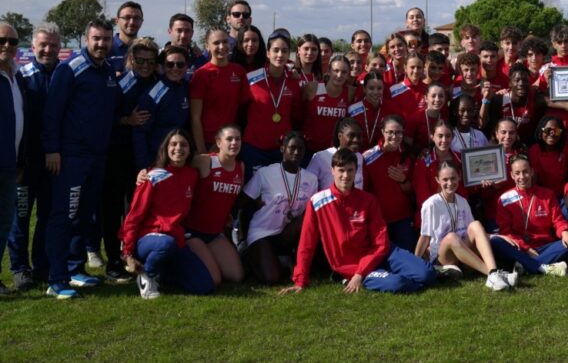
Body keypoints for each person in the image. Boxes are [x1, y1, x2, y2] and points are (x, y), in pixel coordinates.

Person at [281, 148, 435, 295]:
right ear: (332, 170)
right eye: (341, 170)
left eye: (350, 170)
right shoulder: (317, 202)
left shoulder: (368, 200)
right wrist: (300, 281)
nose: (345, 176)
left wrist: (361, 273)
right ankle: (379, 276)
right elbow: (306, 244)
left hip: (383, 253)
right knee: (397, 283)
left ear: (356, 171)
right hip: (353, 264)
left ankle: (408, 274)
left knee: (426, 273)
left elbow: (381, 242)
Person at [43, 18, 119, 299]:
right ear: (86, 39)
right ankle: (56, 278)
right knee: (65, 215)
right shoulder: (71, 69)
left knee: (84, 215)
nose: (101, 44)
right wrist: (52, 150)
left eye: (106, 39)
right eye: (96, 38)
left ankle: (75, 269)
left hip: (97, 158)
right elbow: (52, 113)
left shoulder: (108, 69)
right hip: (71, 157)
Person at [119, 129, 215, 299]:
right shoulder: (153, 176)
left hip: (176, 239)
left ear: (190, 150)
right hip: (149, 238)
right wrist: (127, 253)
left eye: (183, 145)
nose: (178, 148)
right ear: (165, 148)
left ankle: (163, 273)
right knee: (165, 244)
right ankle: (146, 275)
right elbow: (134, 215)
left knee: (204, 286)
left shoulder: (192, 175)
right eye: (173, 144)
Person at [96, 38, 158, 278]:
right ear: (131, 59)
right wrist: (126, 121)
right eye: (140, 60)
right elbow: (103, 118)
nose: (145, 65)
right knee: (112, 211)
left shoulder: (158, 84)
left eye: (150, 61)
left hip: (147, 159)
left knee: (139, 210)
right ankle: (113, 261)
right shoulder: (120, 84)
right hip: (117, 155)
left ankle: (135, 257)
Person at [9, 23, 60, 291]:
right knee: (20, 217)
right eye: (43, 44)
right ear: (33, 47)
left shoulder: (64, 75)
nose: (48, 49)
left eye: (53, 45)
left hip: (52, 163)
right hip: (24, 163)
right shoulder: (21, 77)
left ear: (60, 47)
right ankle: (19, 268)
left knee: (47, 216)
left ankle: (41, 265)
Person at [414, 161, 512, 291]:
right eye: (445, 179)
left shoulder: (462, 201)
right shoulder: (431, 204)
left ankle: (493, 271)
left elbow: (473, 232)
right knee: (452, 237)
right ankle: (492, 274)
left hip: (463, 252)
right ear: (437, 180)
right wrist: (414, 263)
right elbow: (425, 237)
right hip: (443, 257)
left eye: (453, 178)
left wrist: (498, 236)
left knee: (476, 224)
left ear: (459, 177)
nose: (450, 183)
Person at [237, 131, 319, 284]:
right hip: (262, 233)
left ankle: (287, 258)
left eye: (300, 149)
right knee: (272, 278)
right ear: (282, 149)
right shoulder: (265, 173)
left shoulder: (311, 179)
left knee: (306, 220)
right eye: (292, 148)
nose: (296, 152)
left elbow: (309, 211)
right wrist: (242, 236)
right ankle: (251, 255)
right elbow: (242, 203)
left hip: (286, 232)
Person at [490, 154, 568, 277]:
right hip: (519, 248)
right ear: (512, 175)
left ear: (532, 172)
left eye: (525, 172)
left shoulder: (547, 195)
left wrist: (565, 232)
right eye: (517, 173)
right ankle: (543, 267)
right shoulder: (504, 199)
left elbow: (558, 220)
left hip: (545, 247)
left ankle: (524, 266)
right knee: (496, 241)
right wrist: (527, 249)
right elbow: (506, 232)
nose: (522, 177)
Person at [182, 125, 246, 286]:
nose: (234, 143)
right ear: (218, 142)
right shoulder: (206, 161)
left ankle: (206, 255)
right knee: (215, 280)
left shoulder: (241, 167)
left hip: (214, 234)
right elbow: (175, 165)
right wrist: (147, 171)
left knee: (236, 276)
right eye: (229, 139)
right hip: (192, 231)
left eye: (237, 139)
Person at [241, 29, 304, 178]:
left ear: (290, 54)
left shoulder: (294, 81)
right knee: (255, 194)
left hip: (282, 149)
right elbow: (241, 110)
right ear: (268, 53)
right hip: (254, 147)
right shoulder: (251, 79)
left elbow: (296, 115)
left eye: (284, 51)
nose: (280, 55)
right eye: (275, 50)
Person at [362, 116, 417, 251]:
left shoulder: (408, 155)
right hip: (378, 219)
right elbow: (363, 190)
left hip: (403, 217)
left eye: (398, 132)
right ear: (382, 132)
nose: (394, 136)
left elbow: (413, 190)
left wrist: (403, 180)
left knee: (406, 256)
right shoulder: (368, 157)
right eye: (390, 132)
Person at [191, 28, 249, 154]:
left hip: (231, 140)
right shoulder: (201, 74)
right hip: (208, 142)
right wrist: (202, 150)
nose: (222, 46)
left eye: (225, 42)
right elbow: (195, 117)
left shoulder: (239, 71)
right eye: (216, 43)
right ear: (207, 46)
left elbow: (245, 105)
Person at [133, 45, 191, 170]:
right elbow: (139, 133)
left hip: (180, 157)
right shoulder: (153, 94)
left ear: (186, 66)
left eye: (180, 64)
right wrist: (145, 167)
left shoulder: (187, 87)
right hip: (157, 160)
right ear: (163, 66)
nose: (175, 68)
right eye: (170, 64)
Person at [0, 22, 23, 294]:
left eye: (13, 42)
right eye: (2, 40)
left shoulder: (17, 77)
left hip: (10, 165)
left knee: (4, 223)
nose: (7, 46)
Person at [301, 54, 351, 155]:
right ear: (328, 70)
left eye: (344, 72)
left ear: (348, 74)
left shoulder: (350, 92)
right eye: (336, 70)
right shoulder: (312, 87)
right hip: (308, 149)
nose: (339, 75)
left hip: (332, 152)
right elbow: (297, 112)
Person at [527, 116, 568, 192]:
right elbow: (533, 178)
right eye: (547, 130)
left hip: (562, 195)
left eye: (556, 131)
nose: (552, 133)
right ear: (541, 132)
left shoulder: (565, 146)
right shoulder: (535, 150)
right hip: (542, 194)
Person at [347, 71, 387, 152]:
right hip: (356, 154)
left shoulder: (392, 108)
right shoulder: (352, 109)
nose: (375, 92)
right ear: (364, 89)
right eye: (371, 88)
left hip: (381, 154)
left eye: (379, 88)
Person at [405, 83, 448, 152]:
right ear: (426, 98)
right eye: (433, 96)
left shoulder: (445, 116)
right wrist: (419, 151)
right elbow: (407, 144)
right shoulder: (415, 118)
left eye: (441, 96)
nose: (437, 99)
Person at [107, 1, 144, 75]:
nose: (132, 22)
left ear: (141, 21)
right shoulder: (106, 47)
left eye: (136, 18)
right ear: (117, 21)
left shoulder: (146, 49)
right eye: (127, 17)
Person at [166, 13, 208, 77]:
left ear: (192, 33)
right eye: (179, 30)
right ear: (169, 31)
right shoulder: (159, 59)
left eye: (187, 31)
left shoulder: (200, 60)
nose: (183, 35)